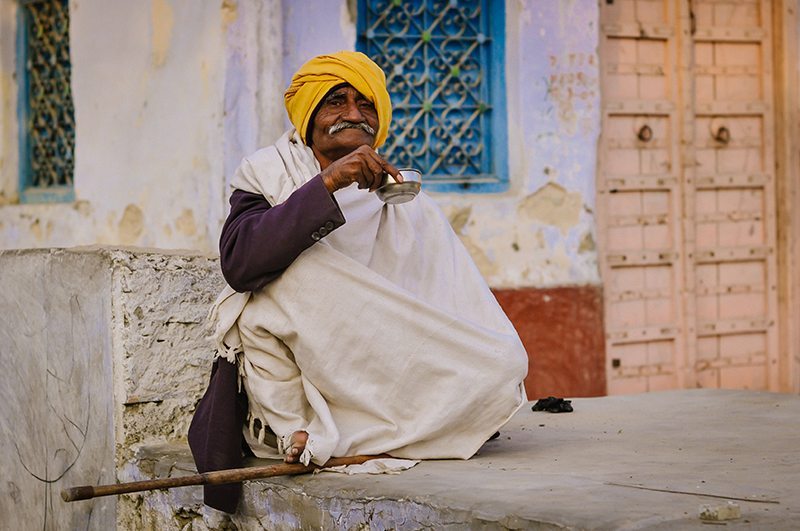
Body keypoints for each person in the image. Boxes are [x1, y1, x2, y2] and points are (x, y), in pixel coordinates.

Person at [189, 51, 528, 513]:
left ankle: (348, 437)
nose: (353, 114)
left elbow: (449, 304)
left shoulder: (402, 199)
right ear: (308, 117)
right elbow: (242, 264)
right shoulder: (268, 175)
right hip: (304, 381)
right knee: (264, 296)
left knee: (504, 364)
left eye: (366, 105)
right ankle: (310, 432)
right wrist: (327, 183)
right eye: (336, 101)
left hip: (381, 370)